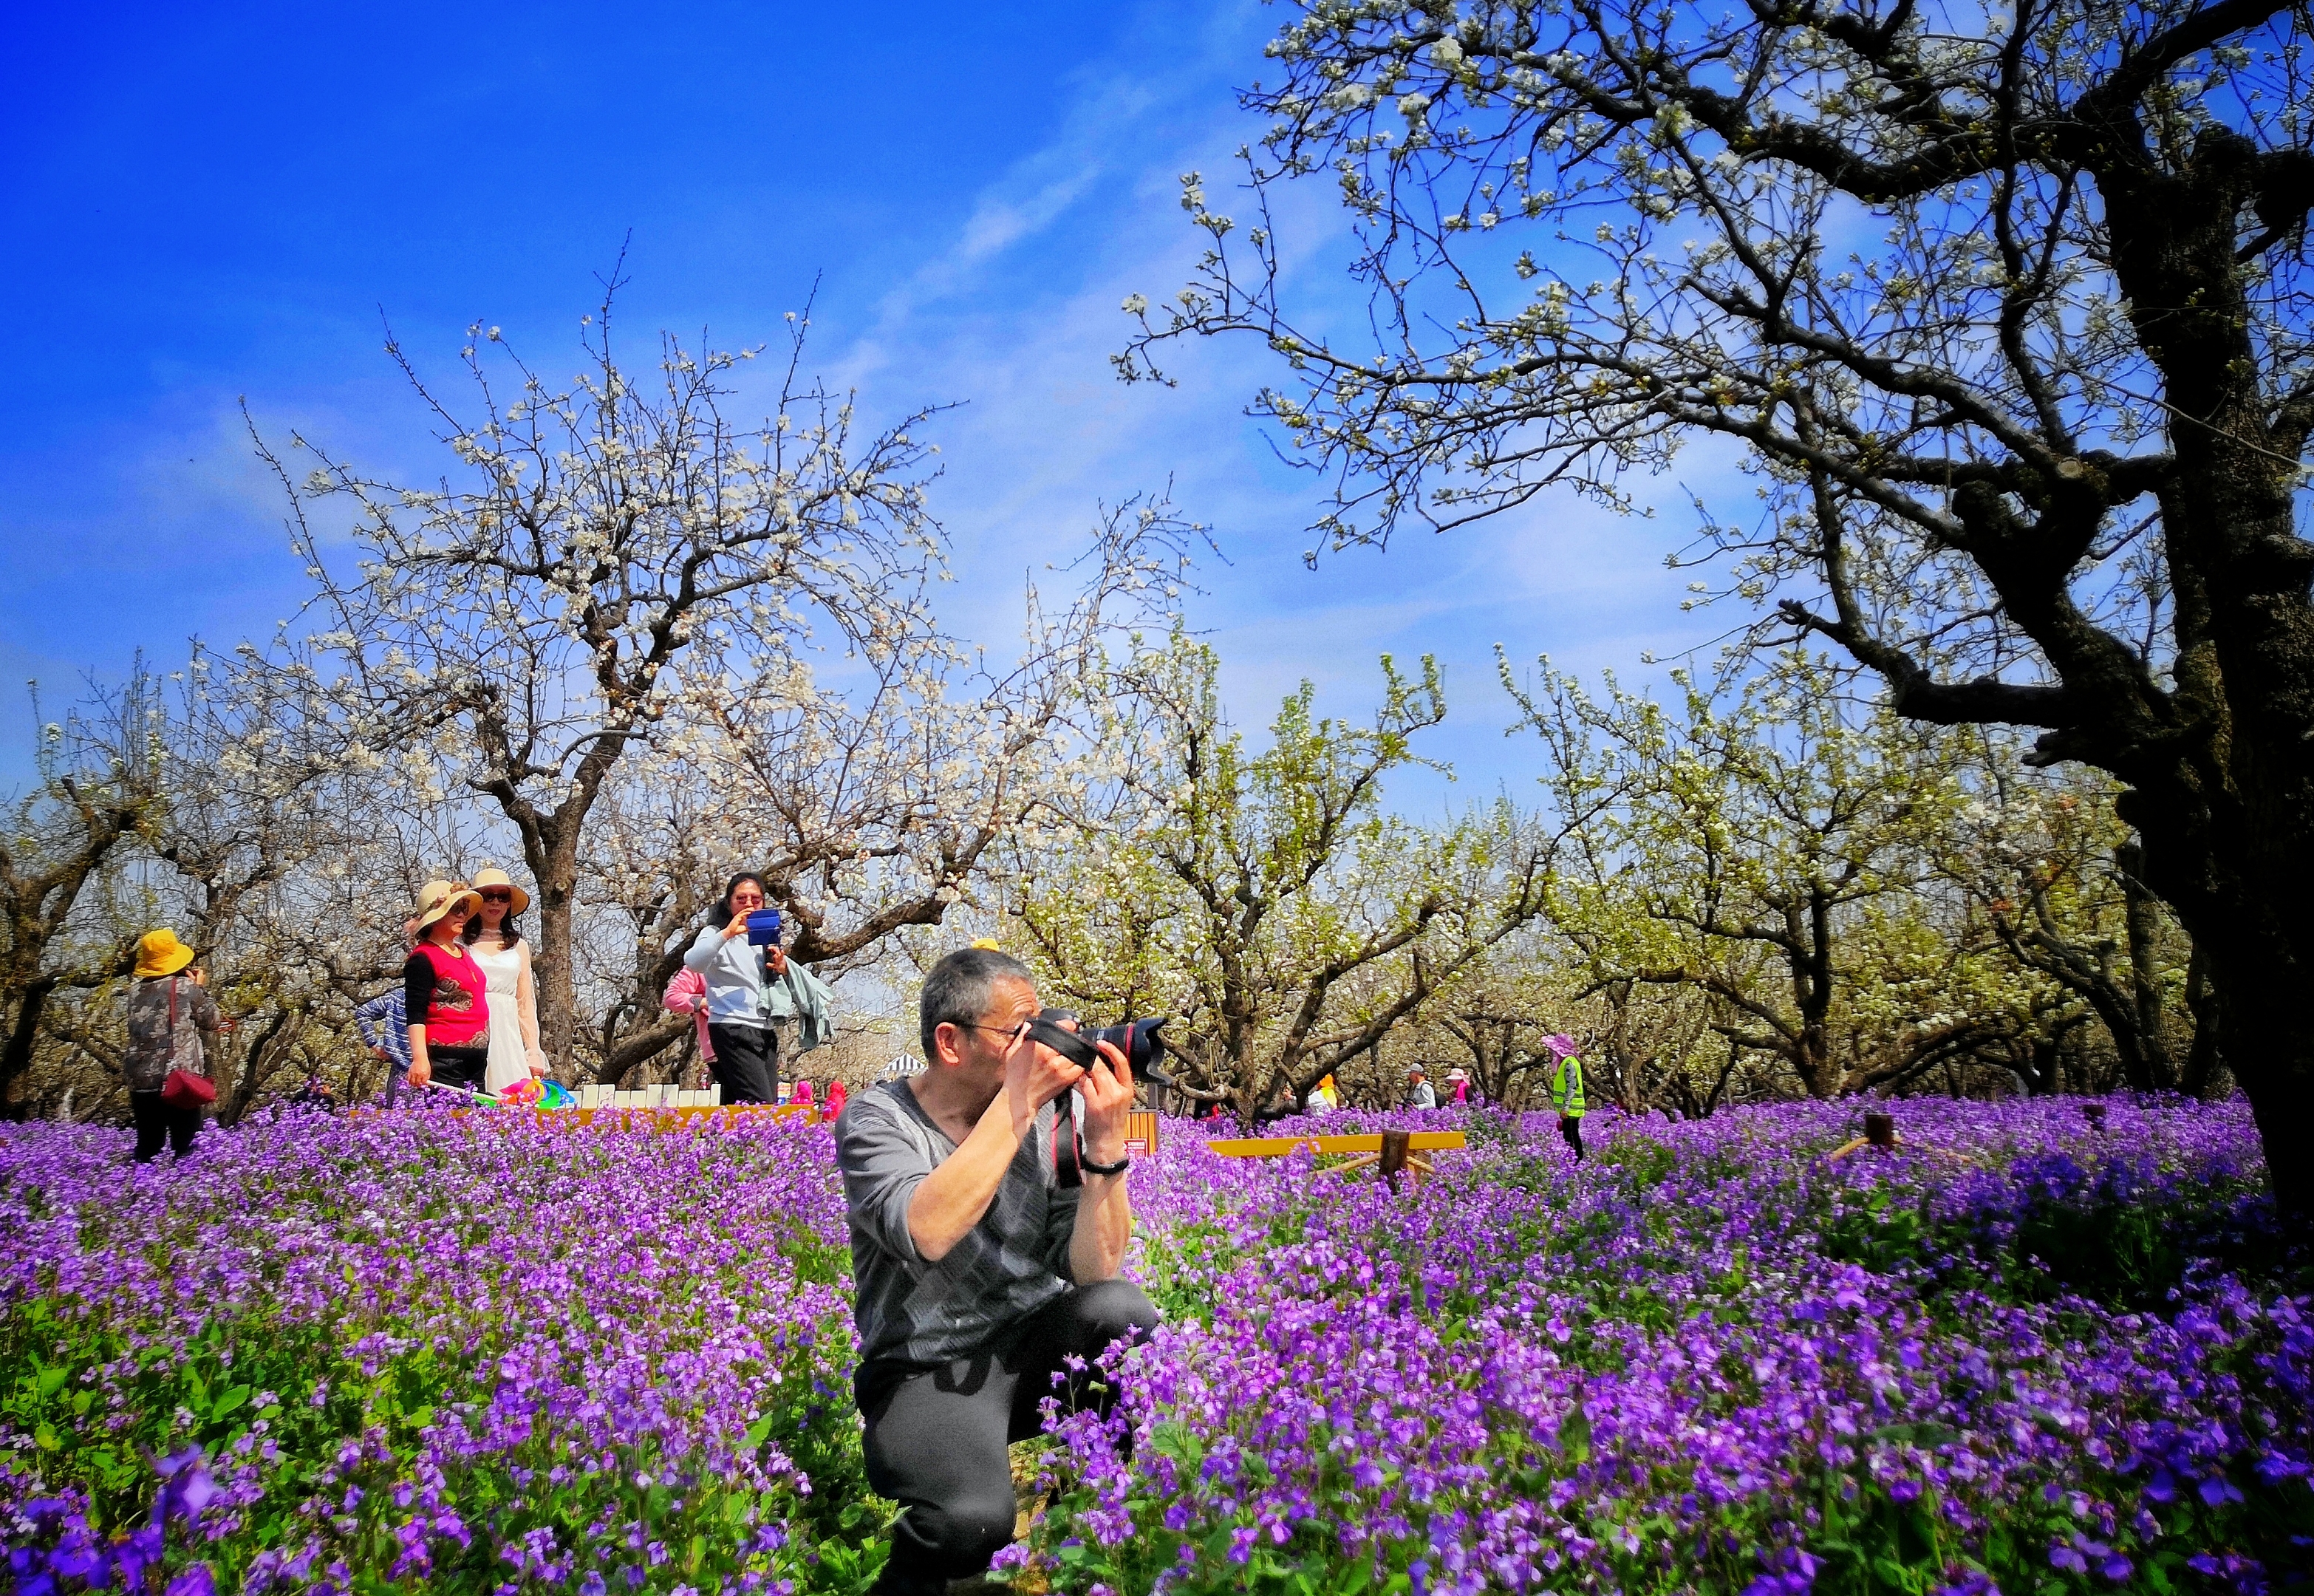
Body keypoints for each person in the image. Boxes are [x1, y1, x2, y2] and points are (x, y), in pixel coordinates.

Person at [837, 947, 1157, 1595]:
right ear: (950, 1043)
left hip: (1031, 1347)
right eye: (1019, 1033)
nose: (1039, 1048)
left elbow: (1097, 1270)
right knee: (970, 1524)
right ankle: (925, 1580)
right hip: (926, 1367)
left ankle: (1086, 1527)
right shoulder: (878, 1120)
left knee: (1123, 1313)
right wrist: (1015, 1103)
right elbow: (925, 1229)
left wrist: (1103, 1146)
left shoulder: (1046, 1115)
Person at [681, 873, 836, 1104]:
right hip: (731, 1026)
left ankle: (721, 1141)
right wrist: (728, 933)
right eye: (741, 898)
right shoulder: (714, 934)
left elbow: (767, 982)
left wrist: (783, 968)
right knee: (761, 1105)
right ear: (729, 902)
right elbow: (694, 962)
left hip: (764, 1029)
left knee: (745, 1104)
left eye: (756, 899)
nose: (749, 904)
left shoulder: (764, 937)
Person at [120, 930, 222, 1162]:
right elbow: (212, 1020)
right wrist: (200, 988)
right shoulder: (186, 987)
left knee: (148, 1145)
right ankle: (183, 1192)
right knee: (184, 1144)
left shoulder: (134, 991)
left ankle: (142, 1189)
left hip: (141, 1078)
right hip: (178, 1078)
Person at [463, 865, 548, 1094]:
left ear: (509, 903)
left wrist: (533, 1049)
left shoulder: (519, 946)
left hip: (507, 1030)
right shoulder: (460, 945)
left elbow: (525, 1001)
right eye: (488, 896)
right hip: (472, 1025)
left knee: (512, 1100)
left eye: (502, 896)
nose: (495, 903)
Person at [403, 881, 491, 1096]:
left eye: (464, 909)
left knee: (476, 1122)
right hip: (445, 1057)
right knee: (450, 1120)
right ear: (435, 917)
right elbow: (416, 1013)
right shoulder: (423, 958)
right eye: (454, 910)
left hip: (477, 1055)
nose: (462, 915)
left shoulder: (462, 952)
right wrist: (420, 1059)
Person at [354, 986, 411, 1106]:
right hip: (405, 1070)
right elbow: (363, 1013)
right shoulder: (399, 996)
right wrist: (375, 1044)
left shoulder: (398, 995)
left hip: (407, 1069)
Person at [661, 965, 716, 1088]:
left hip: (759, 1038)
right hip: (716, 1046)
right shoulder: (700, 964)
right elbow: (672, 997)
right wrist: (709, 1002)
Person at [1546, 1034, 1586, 1162]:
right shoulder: (1569, 1062)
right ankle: (1572, 1159)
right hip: (1570, 1108)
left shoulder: (1569, 1063)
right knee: (1568, 1133)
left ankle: (1577, 1160)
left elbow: (1572, 1086)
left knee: (1572, 1134)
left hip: (1571, 1108)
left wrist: (1565, 1107)